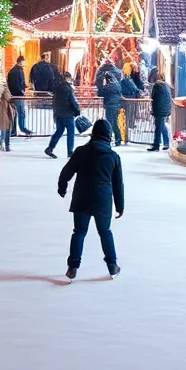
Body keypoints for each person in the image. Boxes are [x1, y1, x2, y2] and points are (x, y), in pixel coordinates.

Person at [58, 118, 124, 281]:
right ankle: (113, 266)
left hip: (82, 198)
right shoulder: (113, 157)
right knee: (105, 232)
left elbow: (66, 171)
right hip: (102, 201)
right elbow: (118, 185)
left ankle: (72, 267)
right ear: (108, 135)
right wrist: (120, 206)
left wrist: (62, 186)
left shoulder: (81, 151)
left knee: (79, 232)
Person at [45, 70, 81, 159]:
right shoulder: (68, 88)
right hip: (68, 114)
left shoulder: (56, 88)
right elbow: (72, 101)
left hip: (58, 114)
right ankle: (70, 152)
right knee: (70, 133)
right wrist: (77, 110)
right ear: (67, 78)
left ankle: (50, 148)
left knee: (59, 131)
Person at [6, 55, 33, 137]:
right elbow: (16, 84)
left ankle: (14, 130)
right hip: (17, 95)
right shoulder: (15, 72)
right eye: (23, 63)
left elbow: (20, 83)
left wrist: (24, 87)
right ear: (20, 62)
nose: (23, 65)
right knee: (20, 112)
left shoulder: (17, 70)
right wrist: (21, 91)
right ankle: (22, 128)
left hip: (16, 95)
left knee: (16, 113)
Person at [147, 69, 172, 152]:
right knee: (161, 126)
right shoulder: (166, 85)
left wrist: (153, 110)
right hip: (165, 109)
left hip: (159, 109)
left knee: (158, 127)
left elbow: (155, 99)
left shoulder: (157, 86)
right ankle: (166, 142)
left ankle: (156, 145)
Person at [0, 85, 16, 152]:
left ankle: (5, 144)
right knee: (5, 130)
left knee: (5, 130)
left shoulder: (5, 100)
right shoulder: (4, 100)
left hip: (6, 116)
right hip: (5, 116)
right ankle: (4, 144)